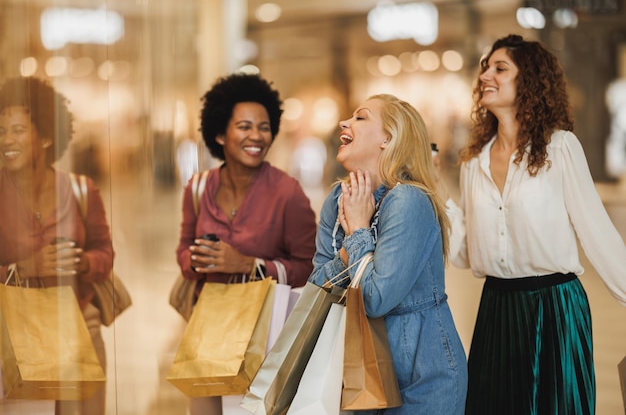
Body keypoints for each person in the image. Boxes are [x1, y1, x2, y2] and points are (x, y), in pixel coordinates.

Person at [442, 34, 626, 414]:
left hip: (554, 308)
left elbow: (597, 233)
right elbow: (464, 254)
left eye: (500, 68)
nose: (486, 76)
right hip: (497, 310)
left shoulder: (559, 148)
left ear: (529, 79)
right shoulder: (473, 163)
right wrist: (437, 194)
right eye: (484, 68)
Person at [308, 94, 468, 414]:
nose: (344, 123)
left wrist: (357, 231)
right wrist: (347, 250)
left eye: (361, 117)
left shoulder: (408, 200)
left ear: (388, 138)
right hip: (358, 371)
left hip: (421, 378)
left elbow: (376, 298)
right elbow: (315, 287)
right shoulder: (338, 198)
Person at [175, 72, 317, 415]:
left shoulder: (288, 193)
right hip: (207, 329)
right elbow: (182, 252)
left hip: (265, 335)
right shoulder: (197, 188)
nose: (256, 136)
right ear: (220, 133)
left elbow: (310, 266)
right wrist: (197, 260)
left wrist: (249, 265)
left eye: (264, 127)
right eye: (244, 126)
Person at [0, 77, 113, 415]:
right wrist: (22, 269)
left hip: (80, 330)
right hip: (16, 337)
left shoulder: (80, 190)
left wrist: (82, 262)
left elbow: (105, 253)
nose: (7, 140)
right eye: (2, 131)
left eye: (18, 130)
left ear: (47, 136)